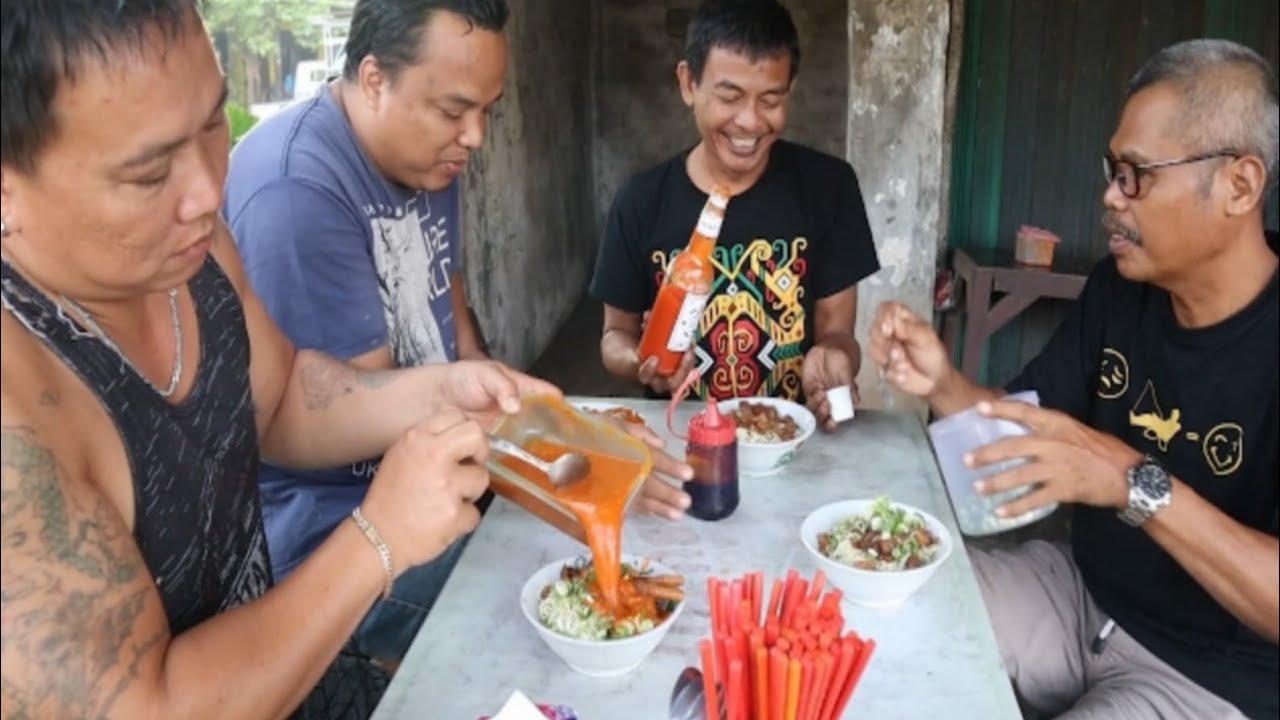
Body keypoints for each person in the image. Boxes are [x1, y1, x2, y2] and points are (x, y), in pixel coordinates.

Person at [0, 2, 687, 718]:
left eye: (212, 123)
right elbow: (148, 707)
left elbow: (283, 395)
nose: (208, 190)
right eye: (147, 174)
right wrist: (378, 537)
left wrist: (446, 392)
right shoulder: (18, 408)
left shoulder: (191, 257)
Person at [870, 39, 1278, 720]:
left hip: (1212, 675)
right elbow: (1025, 430)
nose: (1110, 197)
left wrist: (1129, 479)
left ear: (1239, 185)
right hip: (1079, 592)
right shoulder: (1119, 294)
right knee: (877, 611)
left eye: (1135, 175)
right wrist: (944, 384)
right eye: (1111, 170)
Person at [222, 0, 508, 665]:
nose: (475, 136)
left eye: (486, 110)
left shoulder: (429, 155)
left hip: (441, 477)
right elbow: (347, 416)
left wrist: (532, 430)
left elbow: (451, 309)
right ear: (375, 79)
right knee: (528, 619)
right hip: (335, 535)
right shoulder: (295, 191)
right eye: (454, 111)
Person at [589, 0, 880, 431]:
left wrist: (835, 357)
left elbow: (838, 332)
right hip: (678, 437)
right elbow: (614, 335)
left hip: (791, 437)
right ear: (689, 83)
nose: (750, 122)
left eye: (771, 100)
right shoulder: (641, 201)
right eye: (730, 97)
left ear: (790, 90)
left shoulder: (828, 187)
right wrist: (640, 360)